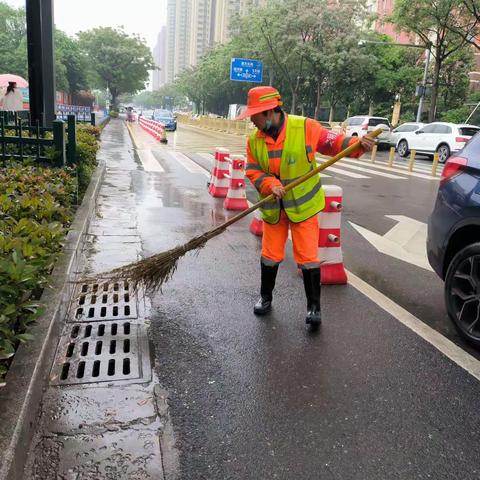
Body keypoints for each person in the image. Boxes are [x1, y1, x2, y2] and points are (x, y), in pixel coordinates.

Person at [238, 86, 374, 328]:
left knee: (308, 258)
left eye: (255, 115)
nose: (252, 120)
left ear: (270, 112)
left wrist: (357, 144)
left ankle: (314, 308)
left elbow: (333, 143)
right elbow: (252, 170)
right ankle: (266, 298)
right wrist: (270, 184)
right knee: (270, 255)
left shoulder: (305, 127)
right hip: (274, 209)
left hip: (303, 207)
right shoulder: (254, 141)